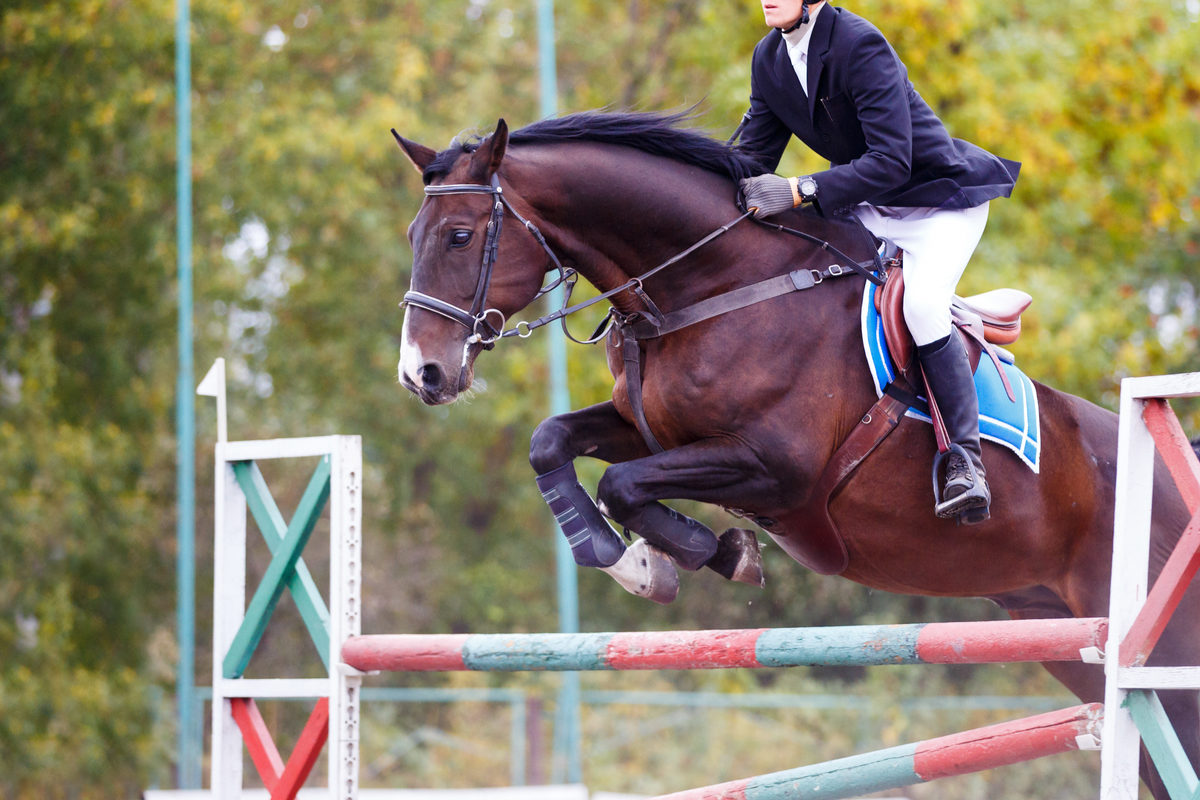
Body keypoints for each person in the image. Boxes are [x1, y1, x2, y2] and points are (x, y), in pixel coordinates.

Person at [736, 0, 1020, 524]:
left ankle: (965, 461)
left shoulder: (858, 44)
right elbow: (750, 158)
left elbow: (893, 159)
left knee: (923, 307)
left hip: (938, 206)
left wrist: (800, 188)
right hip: (869, 206)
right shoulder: (769, 58)